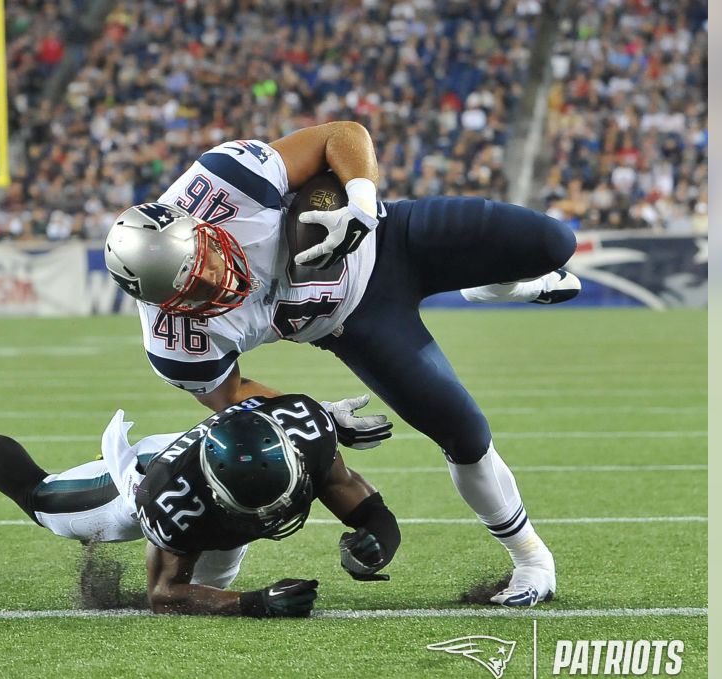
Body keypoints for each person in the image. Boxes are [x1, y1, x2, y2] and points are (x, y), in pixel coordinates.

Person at [103, 121, 580, 606]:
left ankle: (499, 285)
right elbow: (231, 395)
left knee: (552, 244)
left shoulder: (226, 182)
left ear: (196, 226)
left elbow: (343, 135)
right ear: (163, 302)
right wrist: (316, 416)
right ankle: (532, 560)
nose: (213, 281)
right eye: (193, 291)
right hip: (357, 324)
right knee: (466, 433)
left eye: (203, 260)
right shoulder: (175, 342)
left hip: (392, 238)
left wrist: (360, 202)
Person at [0, 366, 401, 617]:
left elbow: (367, 507)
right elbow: (165, 594)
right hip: (147, 476)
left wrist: (378, 542)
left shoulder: (308, 434)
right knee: (39, 499)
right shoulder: (170, 498)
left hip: (214, 488)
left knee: (215, 577)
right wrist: (253, 603)